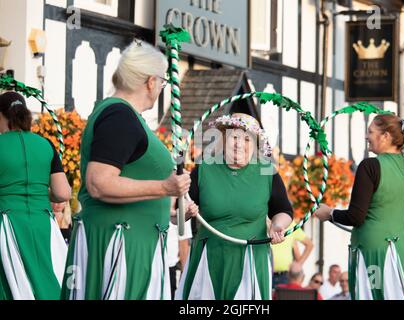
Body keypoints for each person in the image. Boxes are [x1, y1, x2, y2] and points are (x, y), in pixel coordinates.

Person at [60, 40, 197, 300]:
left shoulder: (123, 115)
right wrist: (165, 188)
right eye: (161, 83)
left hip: (134, 239)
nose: (160, 89)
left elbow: (127, 181)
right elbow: (99, 183)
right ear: (149, 82)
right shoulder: (120, 116)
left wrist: (166, 208)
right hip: (120, 244)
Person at [316, 115, 404, 300]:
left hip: (376, 251)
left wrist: (329, 213)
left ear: (386, 136)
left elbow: (355, 216)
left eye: (370, 132)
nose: (366, 136)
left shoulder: (370, 166)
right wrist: (403, 225)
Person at [176, 113, 293, 300]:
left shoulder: (267, 172)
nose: (239, 144)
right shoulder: (204, 169)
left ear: (255, 144)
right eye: (234, 137)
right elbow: (177, 216)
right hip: (209, 257)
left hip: (251, 259)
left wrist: (277, 225)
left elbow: (283, 210)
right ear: (223, 139)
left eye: (247, 139)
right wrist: (186, 213)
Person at [0, 91, 71, 300]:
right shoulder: (45, 144)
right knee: (47, 279)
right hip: (42, 223)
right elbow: (63, 193)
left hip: (7, 222)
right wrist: (37, 191)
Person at [271, 220, 313, 287]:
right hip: (265, 274)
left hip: (285, 276)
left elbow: (309, 245)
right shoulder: (262, 221)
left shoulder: (291, 224)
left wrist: (299, 264)